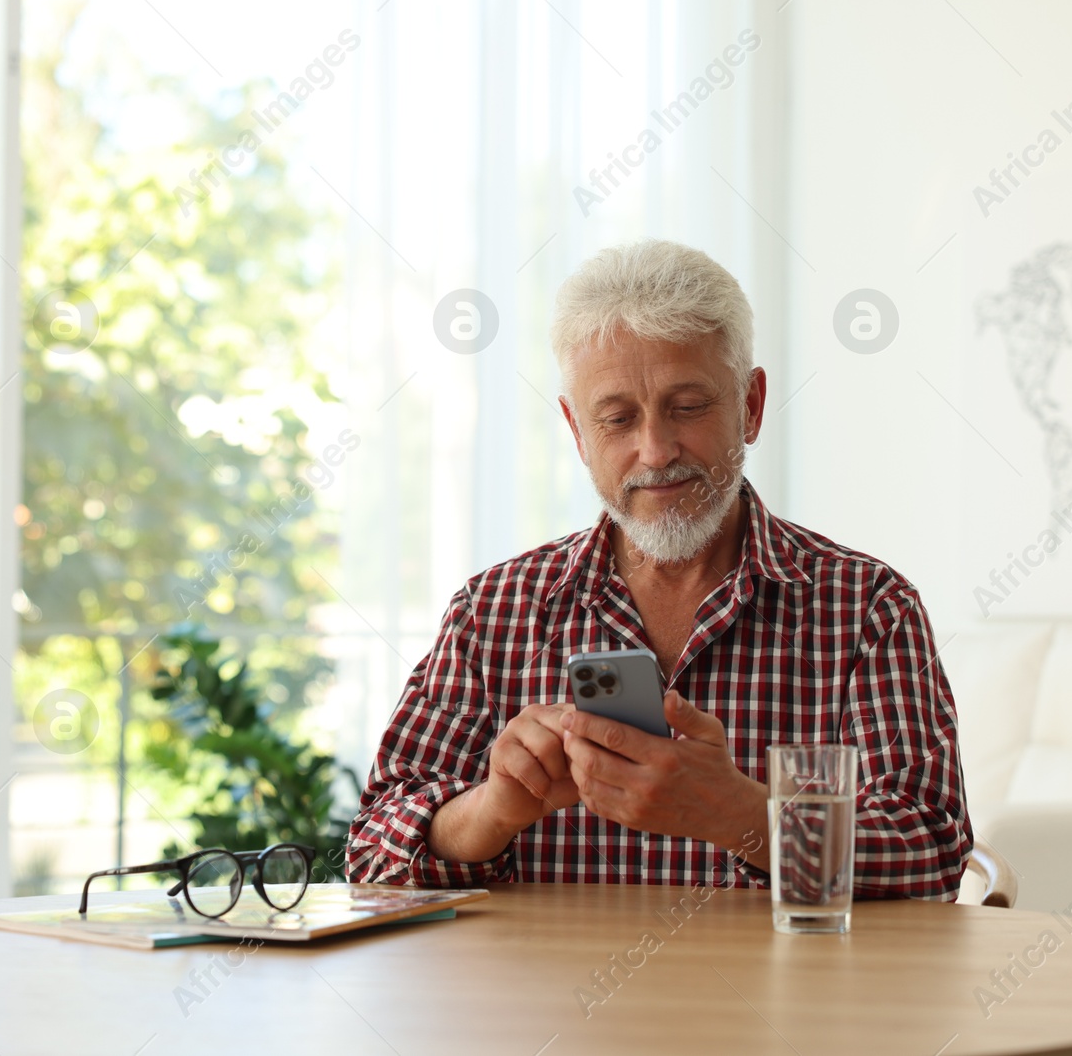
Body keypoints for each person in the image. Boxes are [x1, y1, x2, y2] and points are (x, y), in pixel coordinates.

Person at [347, 239, 971, 898]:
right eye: (617, 418)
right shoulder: (492, 611)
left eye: (689, 406)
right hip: (551, 1002)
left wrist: (737, 814)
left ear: (751, 406)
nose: (655, 450)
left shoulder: (867, 608)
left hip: (783, 1002)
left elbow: (932, 850)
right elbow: (372, 854)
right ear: (578, 432)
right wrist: (493, 808)